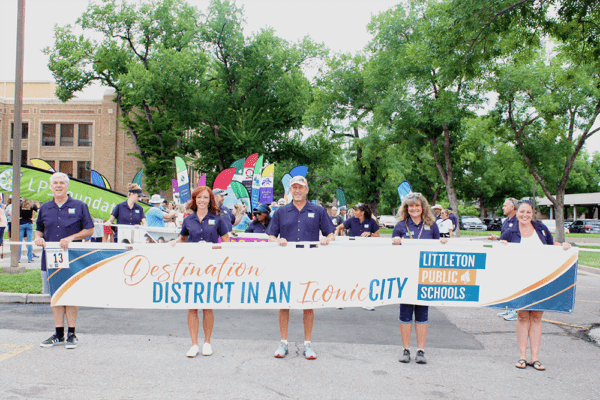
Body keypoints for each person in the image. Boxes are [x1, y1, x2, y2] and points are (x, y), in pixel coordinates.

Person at [267, 176, 335, 360]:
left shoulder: (319, 211)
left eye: (301, 187)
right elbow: (271, 236)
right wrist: (277, 240)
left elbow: (331, 233)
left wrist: (327, 239)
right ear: (290, 190)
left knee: (308, 303)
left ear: (307, 189)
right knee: (284, 303)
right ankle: (283, 342)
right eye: (294, 187)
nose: (297, 190)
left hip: (309, 263)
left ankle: (307, 344)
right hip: (286, 262)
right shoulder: (281, 211)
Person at [499, 200, 571, 371]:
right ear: (517, 212)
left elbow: (550, 246)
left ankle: (535, 358)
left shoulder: (541, 229)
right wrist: (501, 246)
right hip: (519, 281)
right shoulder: (510, 232)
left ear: (533, 214)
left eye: (528, 212)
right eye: (522, 211)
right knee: (523, 316)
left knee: (537, 317)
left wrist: (564, 246)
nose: (525, 215)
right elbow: (499, 254)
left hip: (540, 280)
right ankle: (523, 356)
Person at [35, 172, 94, 349]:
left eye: (62, 182)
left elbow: (89, 230)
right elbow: (39, 230)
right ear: (51, 186)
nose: (58, 185)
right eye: (55, 183)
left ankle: (72, 334)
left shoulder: (79, 206)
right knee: (56, 296)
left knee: (71, 295)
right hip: (50, 259)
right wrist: (38, 238)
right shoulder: (45, 207)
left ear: (67, 186)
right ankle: (58, 333)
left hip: (73, 259)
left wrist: (72, 238)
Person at [171, 186, 229, 358]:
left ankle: (207, 342)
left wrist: (211, 246)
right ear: (194, 200)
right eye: (199, 197)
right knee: (192, 306)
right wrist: (175, 242)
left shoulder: (218, 219)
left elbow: (227, 242)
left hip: (211, 267)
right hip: (192, 266)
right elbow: (183, 238)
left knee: (207, 306)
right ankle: (194, 344)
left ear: (210, 199)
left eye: (205, 197)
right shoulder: (188, 220)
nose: (202, 200)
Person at [392, 192, 448, 364]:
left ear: (423, 207)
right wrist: (395, 242)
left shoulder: (432, 225)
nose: (414, 209)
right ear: (406, 208)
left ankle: (421, 350)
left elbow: (438, 249)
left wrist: (442, 245)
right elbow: (392, 252)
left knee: (423, 314)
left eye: (417, 206)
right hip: (406, 276)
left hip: (425, 275)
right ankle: (406, 349)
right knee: (405, 313)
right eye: (411, 206)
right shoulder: (401, 226)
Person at [490, 197, 519, 320]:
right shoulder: (507, 221)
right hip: (505, 256)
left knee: (515, 283)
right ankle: (509, 308)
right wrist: (497, 238)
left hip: (515, 257)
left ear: (512, 207)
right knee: (508, 283)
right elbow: (505, 237)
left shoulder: (519, 221)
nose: (503, 207)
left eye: (505, 205)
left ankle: (516, 311)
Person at [18, 199, 39, 263]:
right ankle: (30, 258)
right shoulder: (32, 205)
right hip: (29, 223)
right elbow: (40, 211)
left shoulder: (20, 205)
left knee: (19, 242)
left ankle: (18, 258)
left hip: (21, 223)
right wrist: (35, 219)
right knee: (29, 241)